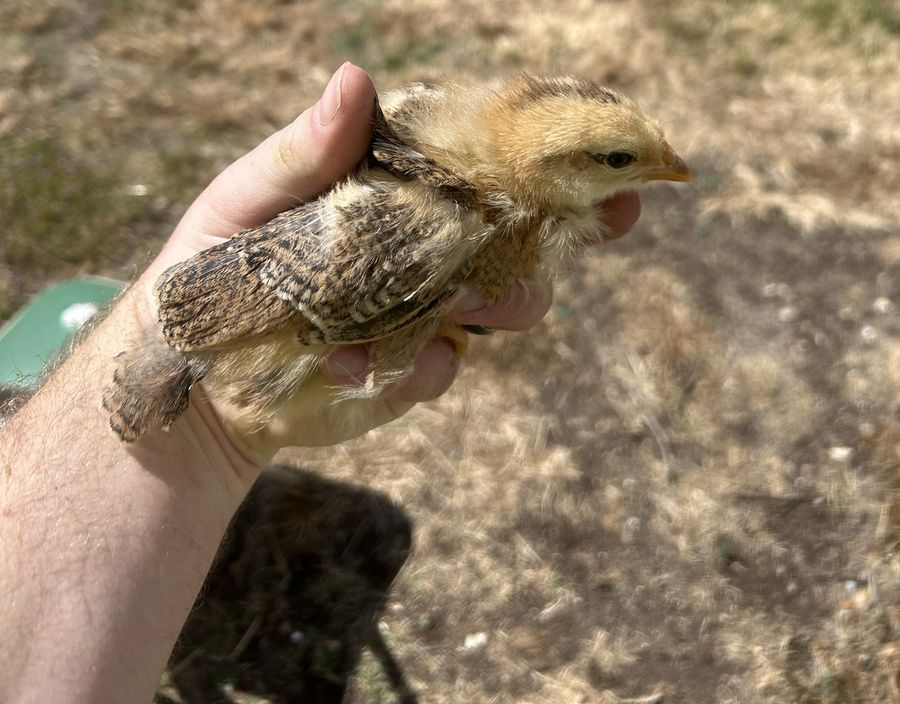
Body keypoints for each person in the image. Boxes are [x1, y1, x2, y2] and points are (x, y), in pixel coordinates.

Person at [0, 64, 641, 704]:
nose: (665, 167)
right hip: (214, 338)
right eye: (619, 160)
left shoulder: (462, 167)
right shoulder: (429, 224)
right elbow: (200, 311)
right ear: (556, 167)